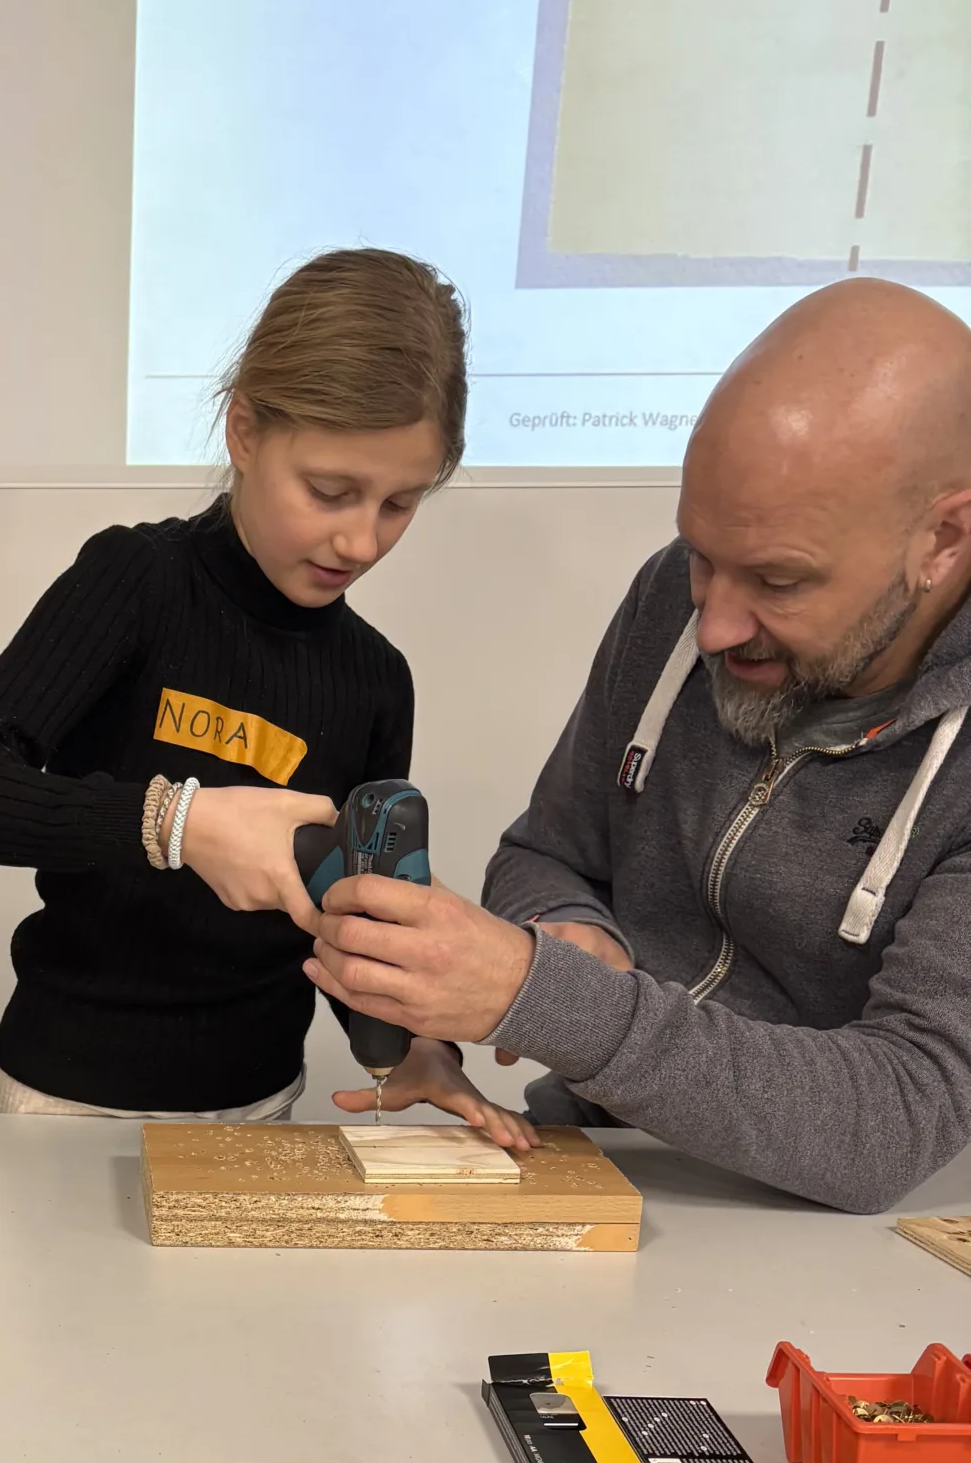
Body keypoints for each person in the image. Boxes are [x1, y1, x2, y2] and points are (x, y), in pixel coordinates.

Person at [308, 278, 971, 1214]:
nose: (714, 626)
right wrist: (569, 930)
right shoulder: (673, 600)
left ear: (944, 539)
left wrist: (544, 995)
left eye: (780, 581)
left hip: (821, 1233)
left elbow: (898, 1117)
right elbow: (546, 851)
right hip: (594, 1158)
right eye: (701, 555)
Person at [0, 248, 531, 1144]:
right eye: (331, 492)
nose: (361, 541)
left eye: (399, 504)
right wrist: (177, 824)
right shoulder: (136, 582)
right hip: (68, 1101)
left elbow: (346, 909)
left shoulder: (377, 679)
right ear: (245, 431)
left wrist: (414, 1043)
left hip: (261, 1103)